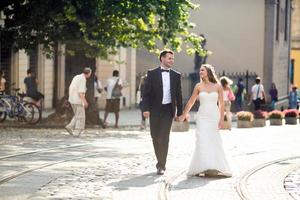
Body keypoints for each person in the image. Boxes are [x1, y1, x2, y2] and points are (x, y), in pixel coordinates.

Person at [179, 64, 231, 177]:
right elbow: (191, 101)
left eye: (202, 70)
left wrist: (222, 119)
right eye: (200, 70)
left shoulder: (218, 86)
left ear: (208, 71)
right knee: (202, 139)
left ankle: (214, 165)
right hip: (202, 116)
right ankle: (202, 166)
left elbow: (221, 105)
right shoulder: (198, 86)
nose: (200, 72)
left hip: (214, 116)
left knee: (213, 140)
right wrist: (184, 114)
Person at [141, 50, 183, 175]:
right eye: (169, 58)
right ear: (162, 59)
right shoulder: (152, 73)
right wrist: (145, 109)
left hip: (168, 110)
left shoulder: (176, 75)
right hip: (154, 109)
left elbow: (178, 95)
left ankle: (161, 164)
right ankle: (160, 159)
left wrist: (180, 112)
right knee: (155, 136)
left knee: (164, 137)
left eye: (172, 58)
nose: (171, 60)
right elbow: (146, 94)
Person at [65, 67, 92, 136]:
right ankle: (77, 131)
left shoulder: (76, 77)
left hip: (72, 99)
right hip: (78, 100)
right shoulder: (83, 79)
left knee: (77, 115)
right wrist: (85, 101)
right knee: (81, 117)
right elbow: (81, 92)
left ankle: (70, 126)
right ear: (89, 73)